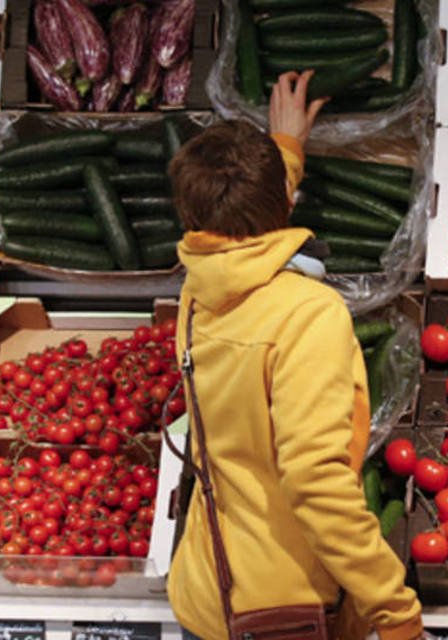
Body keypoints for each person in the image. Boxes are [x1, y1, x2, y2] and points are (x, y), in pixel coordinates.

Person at [164, 71, 424, 640]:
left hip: (208, 592)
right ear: (287, 201)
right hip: (286, 612)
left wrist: (287, 148)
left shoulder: (197, 291)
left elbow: (237, 225)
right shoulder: (307, 315)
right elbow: (316, 483)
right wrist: (396, 610)